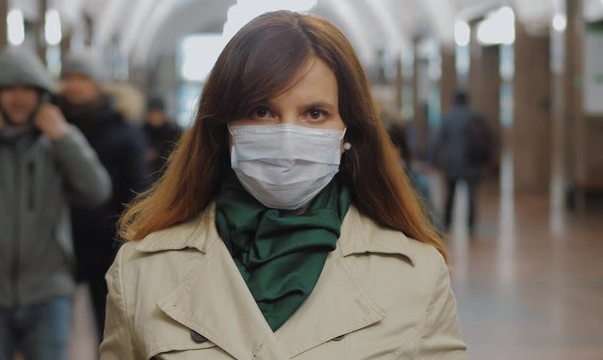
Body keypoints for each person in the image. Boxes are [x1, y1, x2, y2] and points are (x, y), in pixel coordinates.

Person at [101, 11, 466, 360]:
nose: (287, 137)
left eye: (315, 113)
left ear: (347, 133)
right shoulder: (141, 271)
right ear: (224, 130)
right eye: (262, 111)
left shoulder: (416, 274)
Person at [0, 46, 111, 360]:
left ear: (41, 93)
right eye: (9, 88)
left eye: (27, 88)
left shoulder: (58, 141)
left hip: (48, 291)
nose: (18, 97)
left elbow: (97, 189)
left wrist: (62, 137)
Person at [57, 51, 149, 339]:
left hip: (104, 241)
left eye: (82, 78)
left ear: (97, 84)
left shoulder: (122, 130)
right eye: (70, 78)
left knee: (108, 326)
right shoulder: (50, 123)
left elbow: (137, 190)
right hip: (57, 242)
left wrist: (125, 240)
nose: (75, 85)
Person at [436, 90, 493, 235]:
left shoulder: (447, 117)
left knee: (450, 195)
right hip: (472, 163)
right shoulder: (475, 117)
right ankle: (471, 226)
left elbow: (438, 141)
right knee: (471, 196)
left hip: (452, 163)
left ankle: (447, 224)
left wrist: (434, 160)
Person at [143, 96, 181, 179]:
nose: (154, 116)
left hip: (166, 175)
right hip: (146, 176)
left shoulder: (173, 131)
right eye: (152, 112)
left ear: (163, 113)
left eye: (157, 112)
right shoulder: (143, 130)